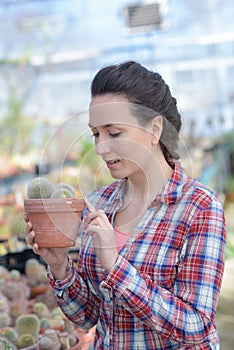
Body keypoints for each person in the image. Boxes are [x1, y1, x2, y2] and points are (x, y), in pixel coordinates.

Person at [26, 61, 226, 349]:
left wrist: (115, 265)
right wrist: (59, 265)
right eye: (96, 134)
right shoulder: (100, 203)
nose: (100, 148)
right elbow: (87, 316)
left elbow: (195, 326)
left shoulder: (199, 207)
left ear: (155, 129)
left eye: (114, 132)